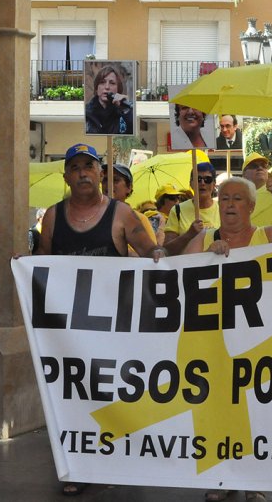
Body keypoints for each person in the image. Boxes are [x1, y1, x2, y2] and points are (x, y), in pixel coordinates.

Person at [37, 144, 164, 496]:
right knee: (75, 401)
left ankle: (127, 458)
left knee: (121, 396)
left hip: (117, 329)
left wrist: (160, 254)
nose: (82, 173)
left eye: (89, 167)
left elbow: (149, 249)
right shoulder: (52, 216)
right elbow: (42, 261)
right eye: (75, 167)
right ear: (66, 176)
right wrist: (25, 264)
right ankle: (78, 466)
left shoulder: (122, 213)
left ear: (99, 174)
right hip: (70, 333)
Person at [183, 175, 272, 502]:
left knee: (258, 412)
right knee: (220, 412)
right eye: (224, 199)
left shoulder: (267, 234)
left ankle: (255, 481)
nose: (229, 204)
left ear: (251, 206)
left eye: (237, 199)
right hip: (216, 345)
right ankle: (222, 479)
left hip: (260, 344)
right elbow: (179, 277)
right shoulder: (205, 237)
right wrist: (208, 255)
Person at [163, 161, 221, 255]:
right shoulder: (177, 210)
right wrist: (189, 234)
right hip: (187, 267)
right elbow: (167, 250)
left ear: (214, 184)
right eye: (198, 179)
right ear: (191, 183)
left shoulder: (222, 209)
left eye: (207, 179)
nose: (202, 183)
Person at [100, 163, 158, 252]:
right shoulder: (92, 217)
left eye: (115, 180)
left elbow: (151, 254)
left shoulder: (139, 219)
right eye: (105, 180)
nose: (109, 184)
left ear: (129, 187)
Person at [84, 65, 133, 135]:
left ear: (118, 89)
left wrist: (126, 110)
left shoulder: (124, 114)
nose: (107, 87)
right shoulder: (86, 114)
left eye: (112, 83)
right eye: (102, 82)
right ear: (96, 89)